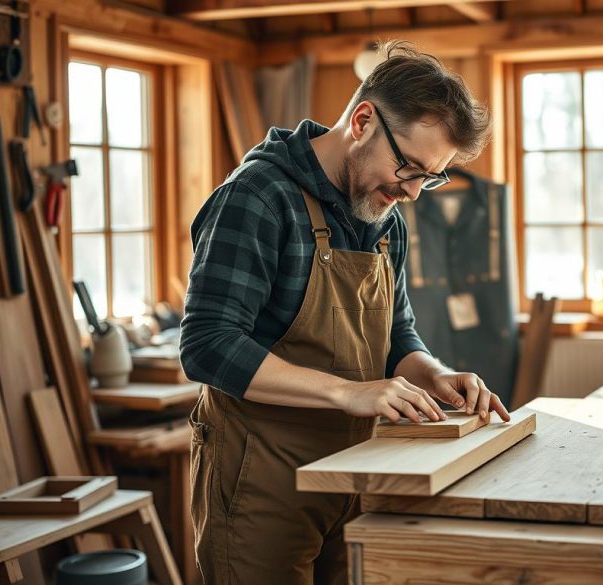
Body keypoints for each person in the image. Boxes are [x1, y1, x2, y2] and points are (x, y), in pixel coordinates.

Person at [179, 40, 509, 584]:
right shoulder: (259, 197)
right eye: (408, 169)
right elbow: (207, 345)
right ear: (361, 122)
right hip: (259, 474)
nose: (412, 193)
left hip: (354, 470)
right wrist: (347, 392)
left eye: (431, 177)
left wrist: (435, 374)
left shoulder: (385, 216)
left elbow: (397, 333)